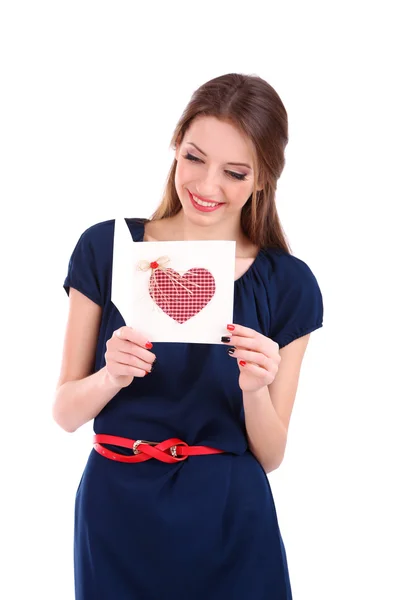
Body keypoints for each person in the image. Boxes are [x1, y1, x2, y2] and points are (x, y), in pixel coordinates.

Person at [53, 73, 324, 599]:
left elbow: (270, 455)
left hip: (231, 521)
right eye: (194, 158)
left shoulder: (288, 283)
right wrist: (110, 376)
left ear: (263, 179)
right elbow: (65, 412)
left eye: (235, 172)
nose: (206, 186)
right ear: (176, 146)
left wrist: (254, 389)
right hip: (117, 514)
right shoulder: (105, 248)